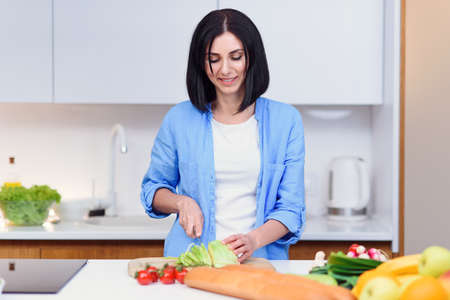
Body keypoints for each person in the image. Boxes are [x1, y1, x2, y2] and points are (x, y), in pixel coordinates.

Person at [141, 8, 305, 261]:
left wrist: (253, 240)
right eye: (214, 59)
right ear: (201, 63)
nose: (225, 69)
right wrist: (182, 202)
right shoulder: (179, 119)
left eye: (236, 57)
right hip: (192, 260)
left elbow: (291, 209)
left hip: (259, 262)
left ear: (252, 58)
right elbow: (153, 189)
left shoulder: (286, 121)